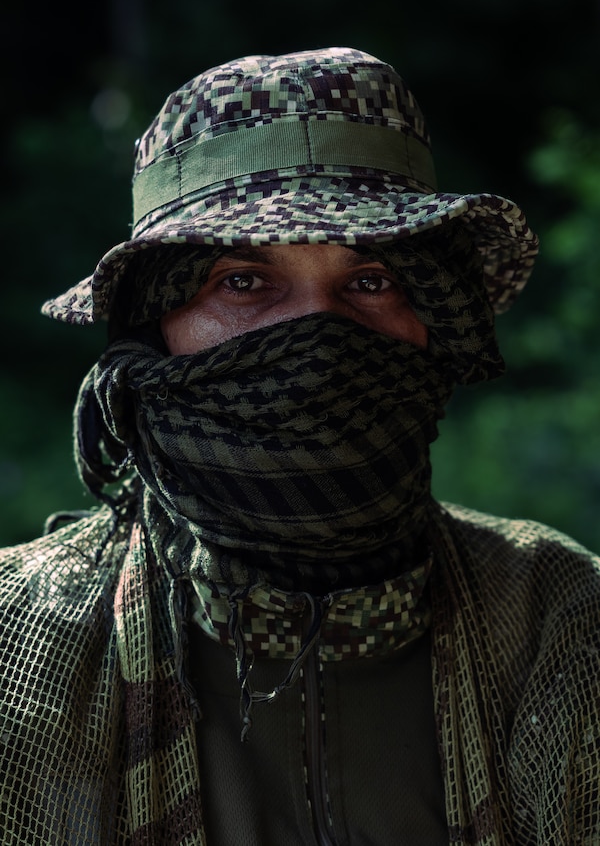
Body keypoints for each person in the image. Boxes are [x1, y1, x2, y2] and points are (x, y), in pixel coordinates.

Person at [1, 47, 598, 846]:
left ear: (433, 323)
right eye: (243, 282)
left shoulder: (563, 625)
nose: (317, 337)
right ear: (154, 332)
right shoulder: (17, 647)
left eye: (372, 280)